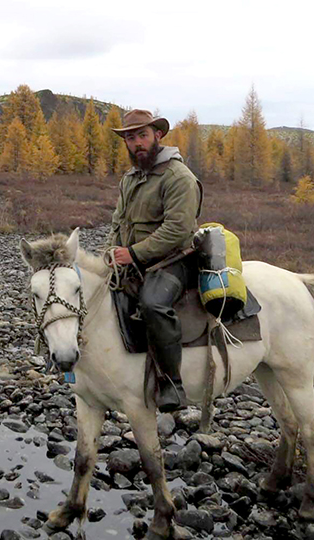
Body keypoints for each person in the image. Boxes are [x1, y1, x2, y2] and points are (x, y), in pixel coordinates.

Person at [109, 109, 202, 412]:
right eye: (130, 137)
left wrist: (133, 253)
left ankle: (171, 383)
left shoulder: (178, 177)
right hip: (137, 260)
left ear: (158, 136)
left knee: (153, 304)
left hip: (176, 259)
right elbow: (118, 221)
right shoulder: (131, 178)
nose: (136, 143)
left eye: (142, 135)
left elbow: (177, 229)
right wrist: (112, 252)